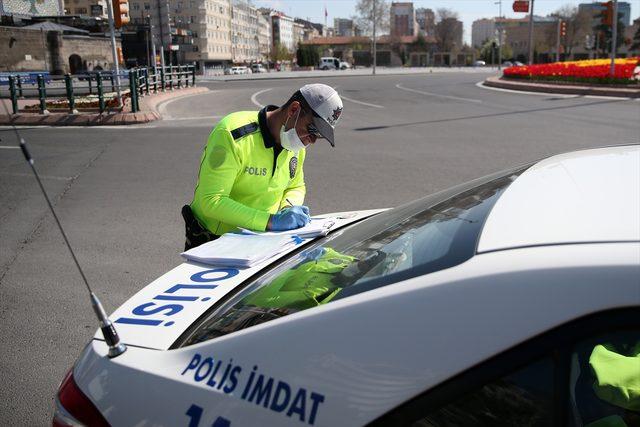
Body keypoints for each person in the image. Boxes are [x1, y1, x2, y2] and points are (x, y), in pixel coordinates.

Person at [183, 84, 344, 250]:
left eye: (319, 136)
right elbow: (212, 200)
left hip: (262, 239)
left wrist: (289, 208)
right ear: (293, 110)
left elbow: (296, 185)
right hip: (215, 242)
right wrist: (271, 221)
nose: (312, 140)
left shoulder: (296, 146)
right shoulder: (232, 132)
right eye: (312, 130)